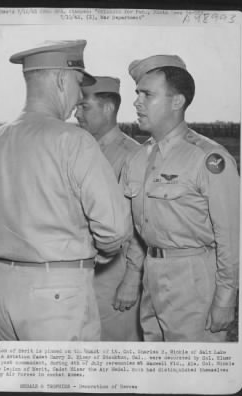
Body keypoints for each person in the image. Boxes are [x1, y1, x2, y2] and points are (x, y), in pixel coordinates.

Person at [0, 40, 131, 341]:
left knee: (11, 386)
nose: (78, 95)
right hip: (58, 291)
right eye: (78, 83)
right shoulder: (74, 140)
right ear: (61, 79)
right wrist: (92, 258)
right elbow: (115, 228)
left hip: (1, 290)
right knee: (64, 387)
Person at [122, 54, 239, 342]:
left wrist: (225, 297)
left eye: (147, 94)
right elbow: (141, 229)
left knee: (194, 376)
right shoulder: (137, 158)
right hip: (152, 275)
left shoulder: (207, 158)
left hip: (194, 278)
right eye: (137, 94)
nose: (137, 102)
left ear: (177, 102)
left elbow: (230, 236)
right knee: (157, 370)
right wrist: (131, 274)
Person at [75, 76, 143, 341]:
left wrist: (131, 279)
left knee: (116, 352)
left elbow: (142, 223)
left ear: (107, 108)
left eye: (84, 107)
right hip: (79, 271)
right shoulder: (78, 149)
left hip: (115, 274)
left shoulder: (132, 155)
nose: (76, 113)